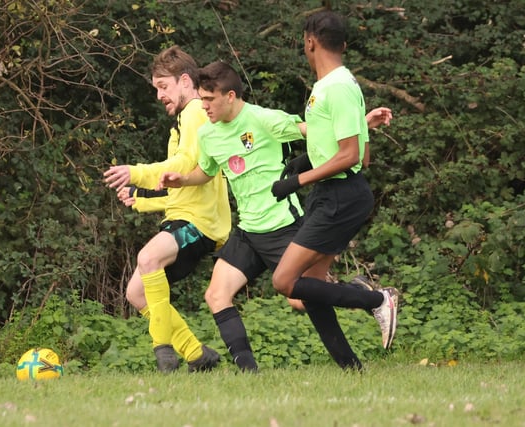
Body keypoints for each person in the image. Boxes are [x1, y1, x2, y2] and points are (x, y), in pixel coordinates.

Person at [159, 61, 392, 372]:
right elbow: (206, 171)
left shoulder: (264, 119)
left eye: (209, 100)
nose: (204, 106)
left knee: (303, 299)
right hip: (248, 230)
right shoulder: (208, 134)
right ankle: (250, 376)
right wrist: (182, 179)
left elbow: (318, 132)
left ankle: (361, 318)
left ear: (230, 96)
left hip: (282, 226)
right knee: (217, 294)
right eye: (201, 99)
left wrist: (362, 123)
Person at [270, 10, 399, 370]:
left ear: (310, 41)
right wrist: (309, 163)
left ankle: (374, 299)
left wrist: (298, 181)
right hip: (333, 193)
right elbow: (360, 153)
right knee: (308, 290)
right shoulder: (334, 85)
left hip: (340, 195)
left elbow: (352, 157)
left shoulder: (338, 86)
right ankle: (351, 368)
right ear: (342, 44)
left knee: (284, 280)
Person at [103, 46, 231, 373]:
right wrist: (144, 200)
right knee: (136, 293)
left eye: (163, 86)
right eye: (156, 88)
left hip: (200, 224)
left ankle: (163, 354)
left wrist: (137, 172)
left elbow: (187, 164)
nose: (159, 95)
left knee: (147, 258)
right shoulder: (183, 122)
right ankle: (198, 356)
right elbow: (183, 187)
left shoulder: (195, 114)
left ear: (185, 80)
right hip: (185, 219)